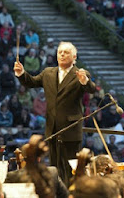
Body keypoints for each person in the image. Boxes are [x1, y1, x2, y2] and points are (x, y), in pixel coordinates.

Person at [13, 41, 96, 186]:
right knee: (54, 168)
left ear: (74, 56)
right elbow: (31, 82)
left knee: (71, 169)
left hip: (70, 129)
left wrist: (85, 81)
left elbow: (91, 89)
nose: (62, 54)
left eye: (66, 52)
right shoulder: (48, 73)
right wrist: (21, 73)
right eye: (60, 52)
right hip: (52, 129)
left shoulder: (80, 74)